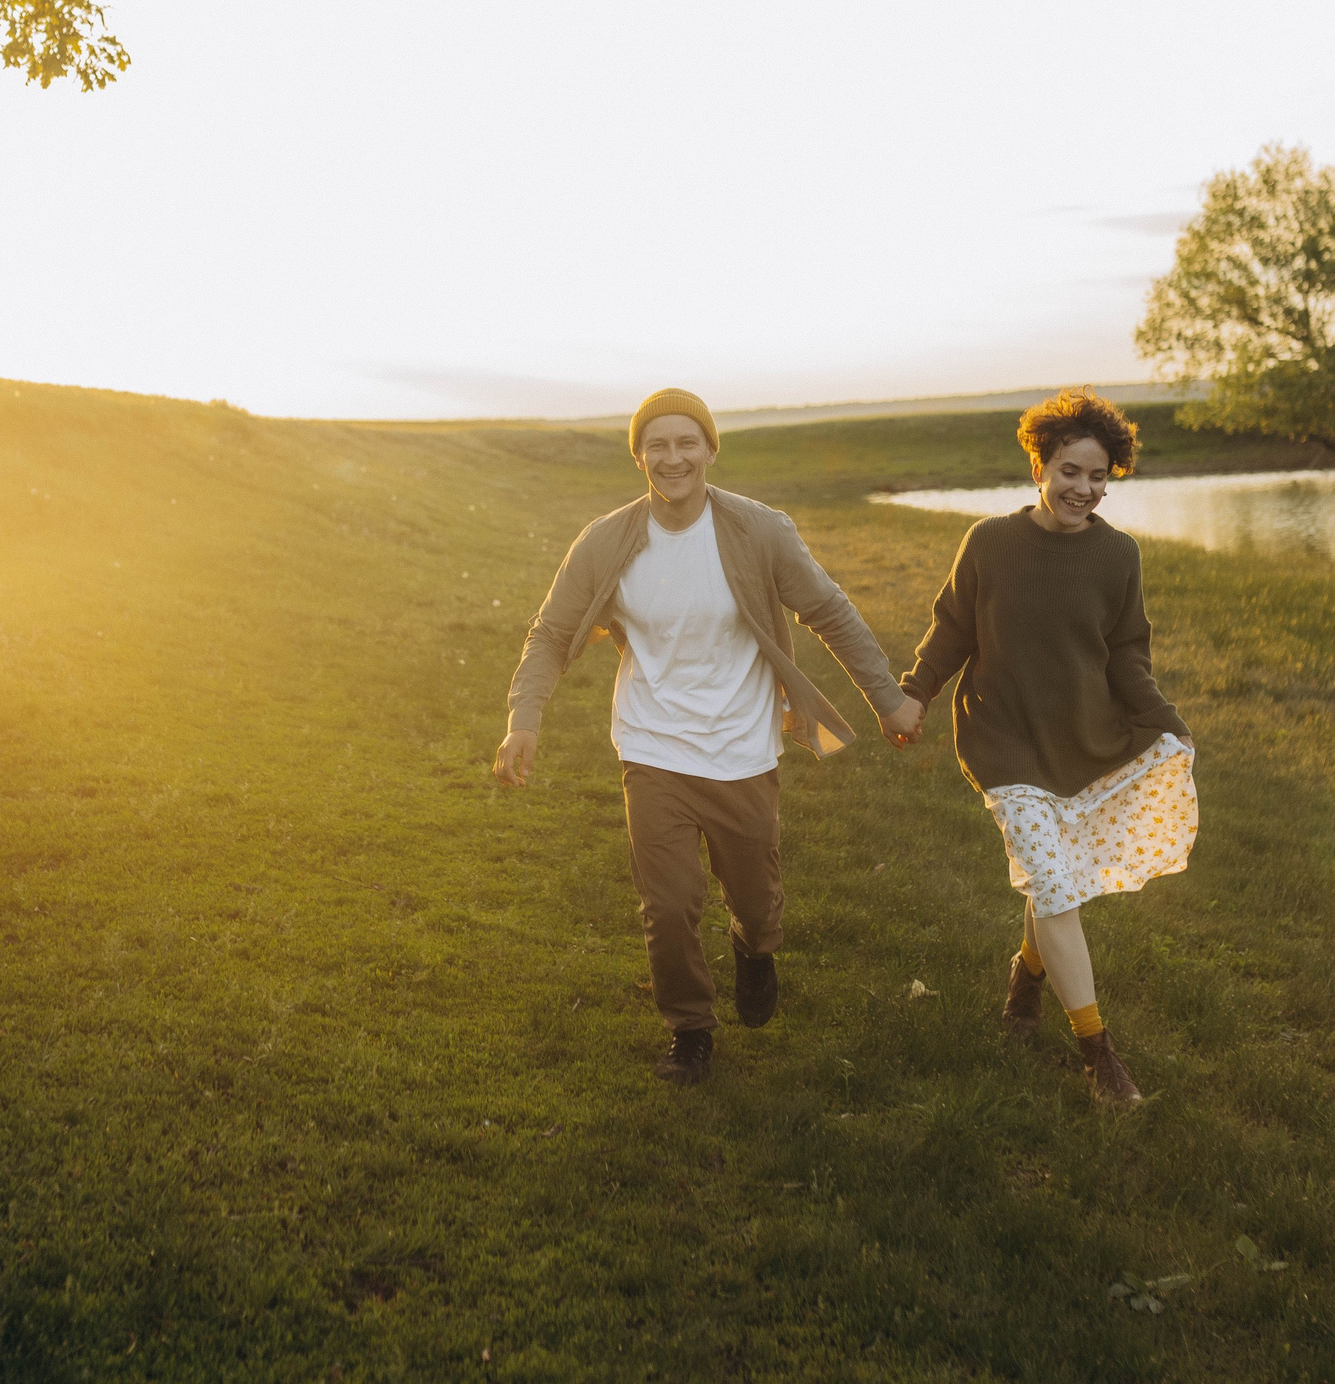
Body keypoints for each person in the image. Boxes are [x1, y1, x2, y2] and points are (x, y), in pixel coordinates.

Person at [494, 388, 924, 1085]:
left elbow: (828, 610)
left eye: (686, 442)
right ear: (639, 456)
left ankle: (755, 948)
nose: (673, 458)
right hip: (652, 745)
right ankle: (690, 1029)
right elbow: (551, 632)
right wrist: (524, 717)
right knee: (667, 905)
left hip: (742, 747)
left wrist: (889, 699)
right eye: (656, 445)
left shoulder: (759, 531)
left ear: (711, 450)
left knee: (755, 898)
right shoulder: (607, 541)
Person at [897, 388, 1195, 1107]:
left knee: (1053, 874)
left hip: (1083, 739)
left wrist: (1165, 721)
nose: (1083, 489)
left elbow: (1127, 655)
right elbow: (951, 629)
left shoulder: (1118, 554)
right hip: (1002, 740)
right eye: (1070, 471)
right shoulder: (989, 542)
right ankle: (1099, 1054)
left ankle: (1026, 978)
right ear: (1039, 468)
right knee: (1057, 884)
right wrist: (916, 692)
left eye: (1098, 476)